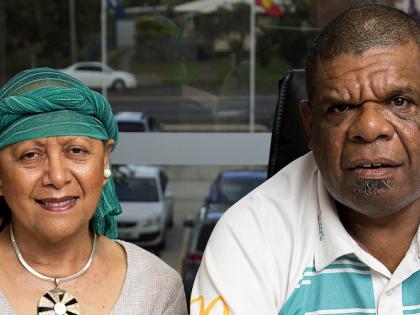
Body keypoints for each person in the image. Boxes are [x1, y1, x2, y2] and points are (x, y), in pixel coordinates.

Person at [191, 4, 420, 315]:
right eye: (340, 108)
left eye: (399, 101)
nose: (369, 129)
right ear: (310, 125)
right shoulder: (251, 235)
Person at [0, 68, 188, 314]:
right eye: (30, 155)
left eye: (76, 151)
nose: (57, 177)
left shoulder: (156, 286)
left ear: (105, 161)